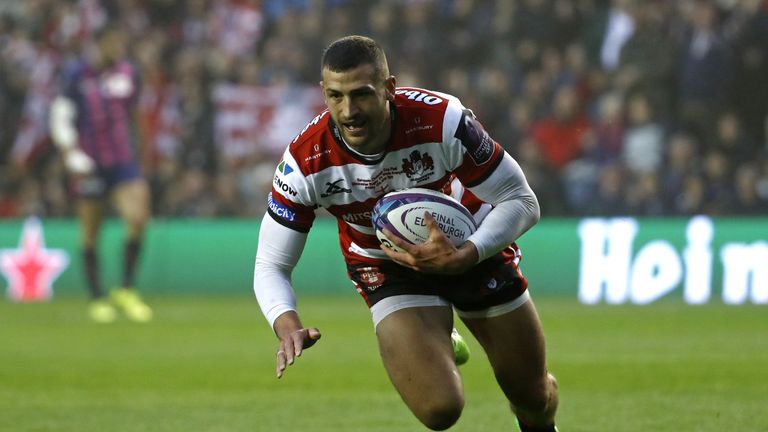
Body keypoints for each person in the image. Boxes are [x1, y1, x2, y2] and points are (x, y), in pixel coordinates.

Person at [253, 35, 559, 431]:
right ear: (323, 93)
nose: (349, 111)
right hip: (385, 262)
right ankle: (436, 334)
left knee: (532, 395)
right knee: (439, 410)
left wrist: (468, 252)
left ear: (388, 88)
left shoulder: (443, 120)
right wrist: (286, 324)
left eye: (361, 94)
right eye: (335, 96)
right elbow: (270, 265)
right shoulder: (305, 162)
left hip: (468, 241)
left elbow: (521, 200)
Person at [49, 26, 152, 323]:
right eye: (112, 42)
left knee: (137, 218)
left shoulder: (128, 74)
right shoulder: (76, 76)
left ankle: (126, 288)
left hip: (122, 161)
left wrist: (143, 154)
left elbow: (135, 115)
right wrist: (69, 153)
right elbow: (61, 115)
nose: (117, 48)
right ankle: (97, 296)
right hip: (90, 162)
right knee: (91, 231)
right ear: (98, 45)